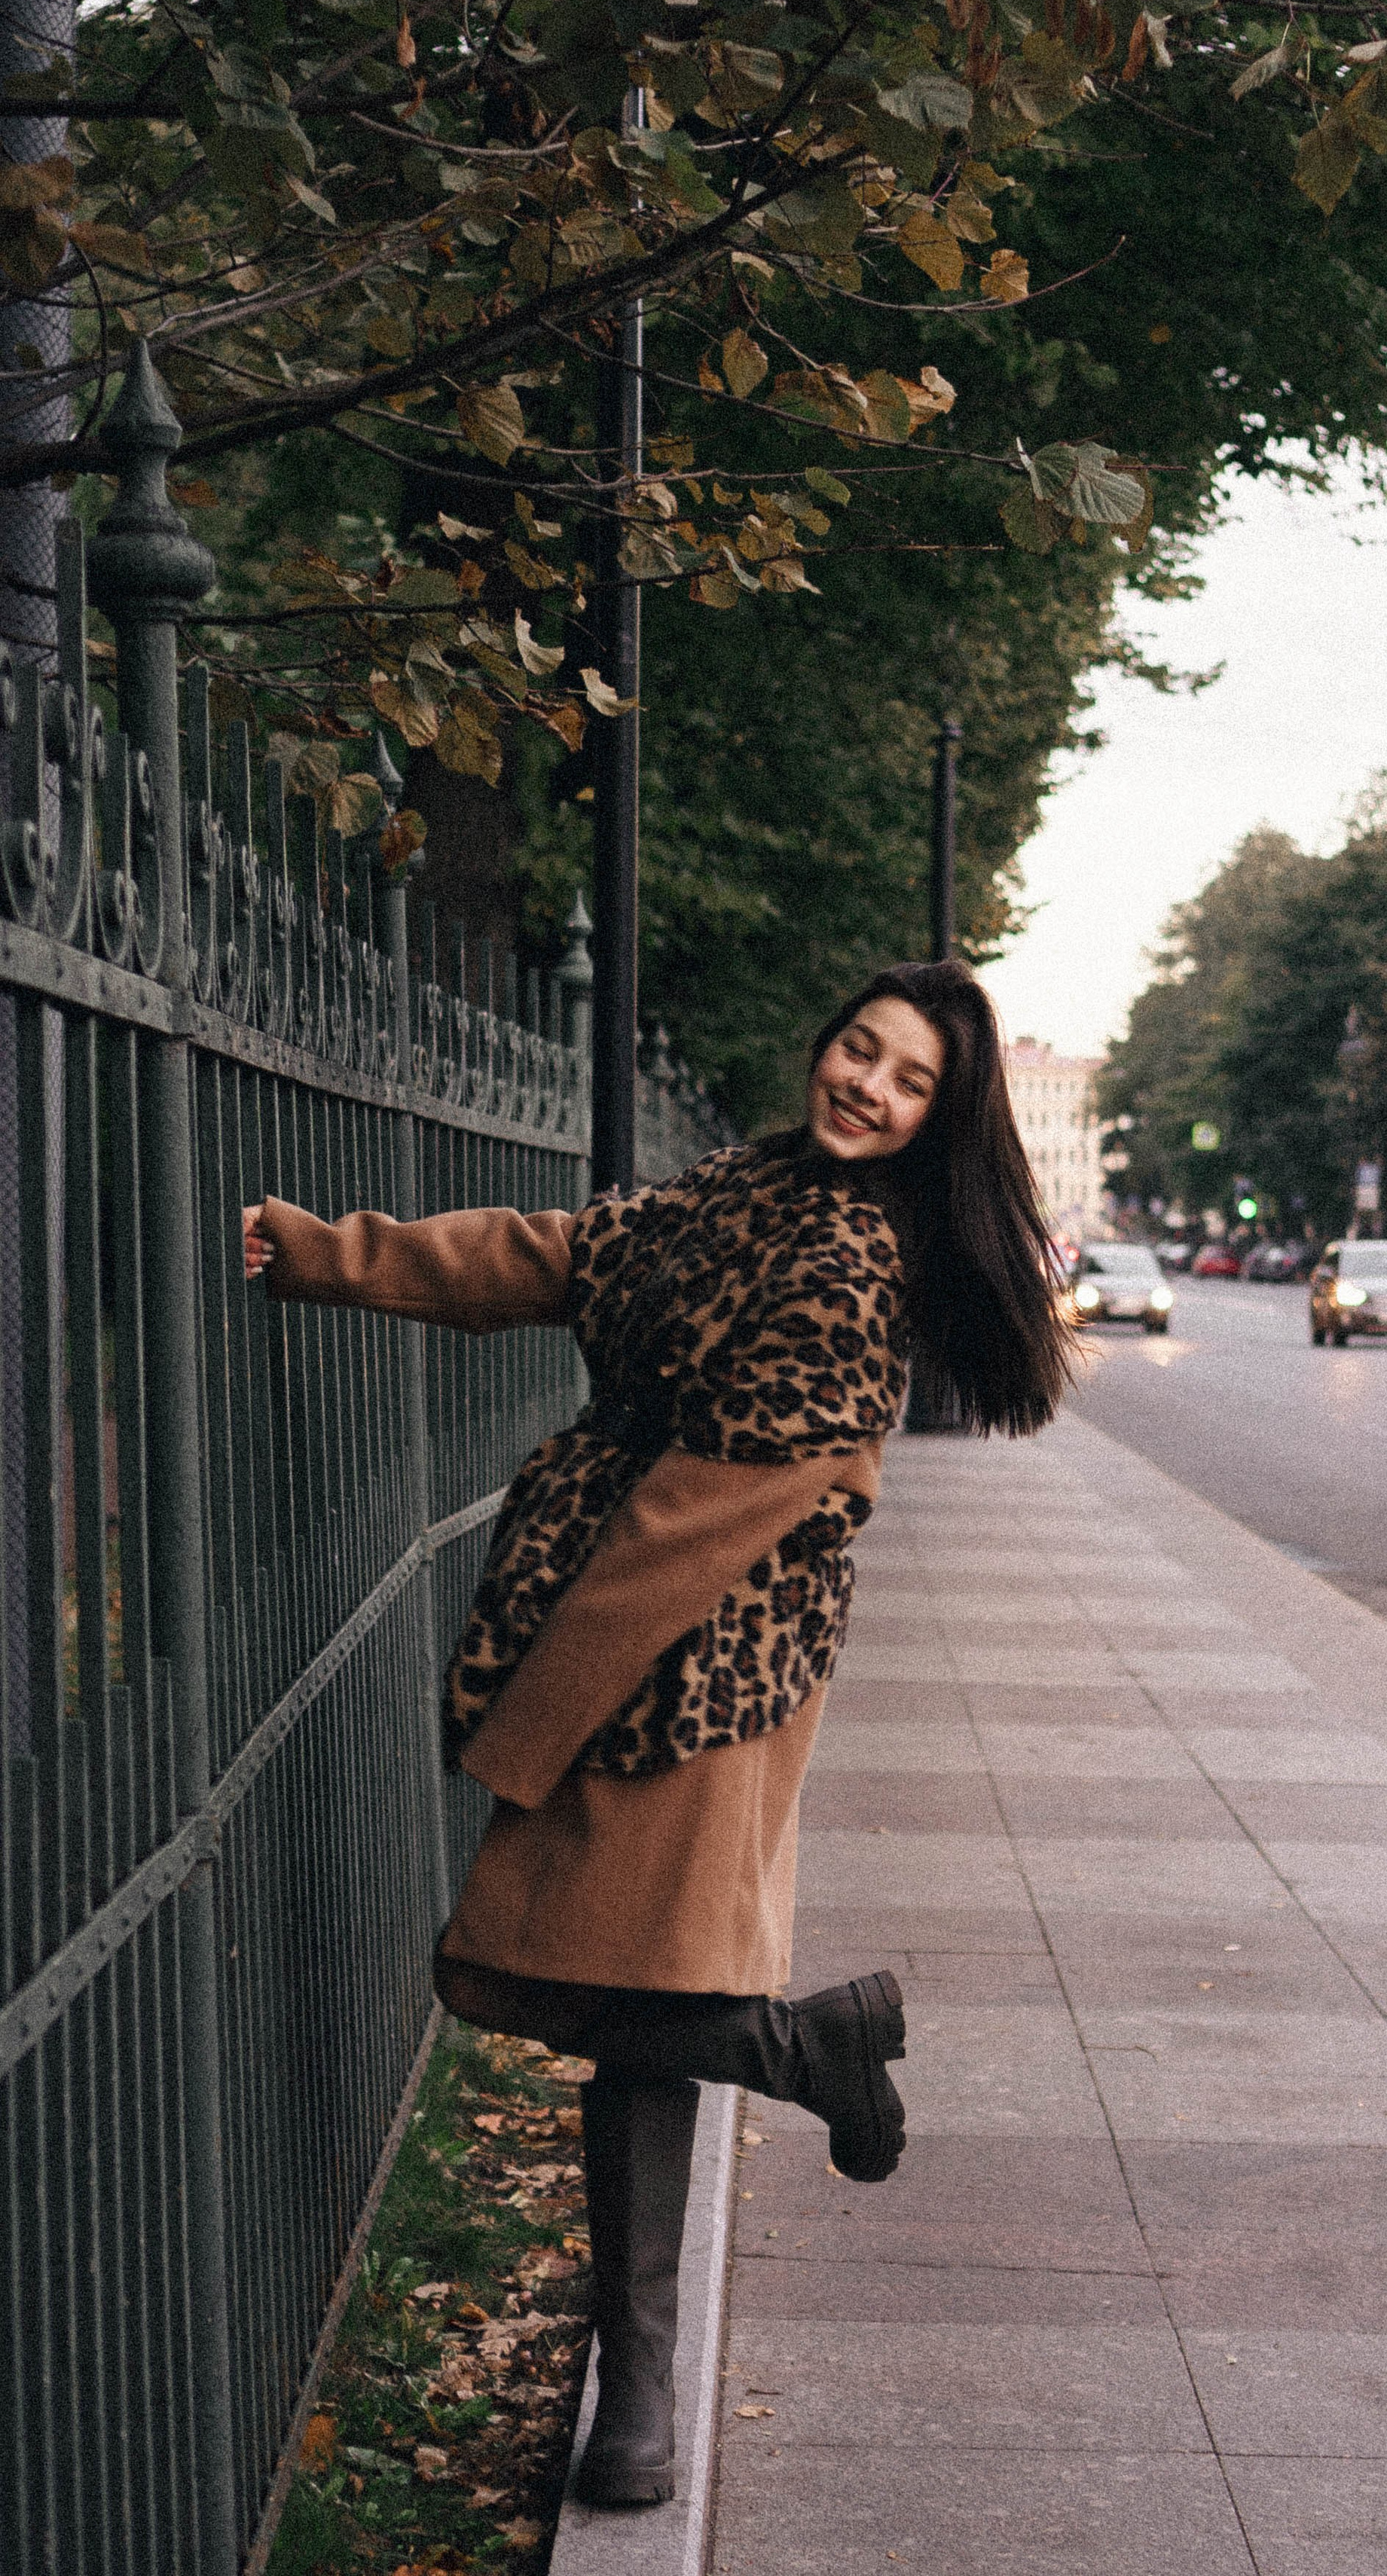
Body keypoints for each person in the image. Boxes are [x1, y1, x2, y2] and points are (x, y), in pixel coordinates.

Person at [242, 960, 1072, 2508]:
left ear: (937, 1120)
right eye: (860, 1050)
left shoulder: (850, 1267)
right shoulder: (740, 1189)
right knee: (624, 2001)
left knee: (592, 1987)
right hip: (625, 1636)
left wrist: (532, 1721)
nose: (867, 1087)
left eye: (908, 1083)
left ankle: (774, 2114)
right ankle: (648, 2373)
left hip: (706, 1674)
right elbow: (551, 1253)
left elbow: (689, 1525)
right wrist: (323, 1252)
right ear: (825, 1043)